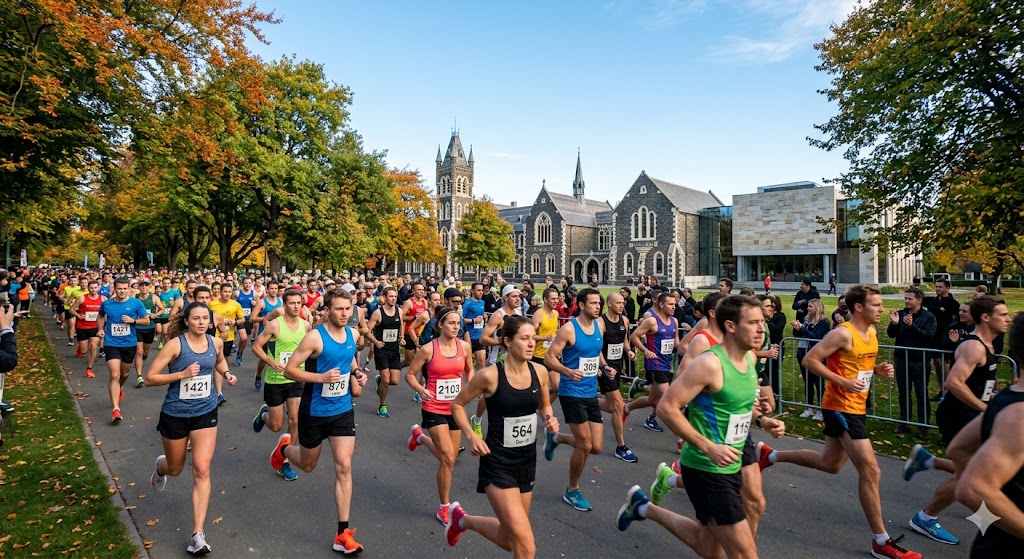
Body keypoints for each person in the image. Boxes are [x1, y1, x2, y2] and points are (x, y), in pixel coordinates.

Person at [758, 285, 921, 559]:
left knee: (830, 464)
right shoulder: (842, 333)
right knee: (871, 470)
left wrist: (876, 370)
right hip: (840, 406)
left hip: (857, 406)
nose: (882, 309)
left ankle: (770, 455)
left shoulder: (871, 332)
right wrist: (842, 382)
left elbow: (857, 366)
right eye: (876, 305)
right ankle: (881, 541)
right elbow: (810, 360)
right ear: (859, 307)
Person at [616, 295, 786, 559]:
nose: (761, 329)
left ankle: (643, 507)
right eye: (752, 323)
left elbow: (736, 409)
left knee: (709, 547)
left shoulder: (750, 360)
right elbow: (667, 407)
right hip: (707, 468)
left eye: (762, 322)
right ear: (731, 326)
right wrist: (708, 447)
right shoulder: (710, 363)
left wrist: (762, 420)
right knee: (744, 554)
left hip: (733, 460)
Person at [445, 316, 559, 558]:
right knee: (526, 546)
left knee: (509, 540)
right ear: (508, 341)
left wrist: (550, 418)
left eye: (533, 338)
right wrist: (471, 436)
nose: (531, 343)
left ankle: (462, 521)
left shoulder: (540, 372)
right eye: (524, 338)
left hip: (526, 461)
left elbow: (544, 406)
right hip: (498, 463)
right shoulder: (489, 376)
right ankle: (461, 520)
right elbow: (457, 405)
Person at [901, 295, 1009, 545]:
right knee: (970, 473)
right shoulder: (974, 347)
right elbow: (953, 383)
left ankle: (927, 461)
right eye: (1002, 315)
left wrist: (994, 397)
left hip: (972, 414)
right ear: (986, 317)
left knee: (982, 469)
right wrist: (985, 408)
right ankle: (926, 517)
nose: (1007, 319)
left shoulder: (987, 344)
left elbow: (978, 383)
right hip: (958, 415)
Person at [269, 288, 369, 554]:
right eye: (339, 309)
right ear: (327, 310)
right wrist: (320, 378)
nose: (344, 314)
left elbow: (349, 360)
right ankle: (284, 450)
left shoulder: (353, 334)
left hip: (342, 411)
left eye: (348, 309)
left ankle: (342, 533)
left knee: (344, 466)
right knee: (308, 464)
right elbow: (290, 370)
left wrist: (357, 372)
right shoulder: (315, 337)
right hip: (313, 412)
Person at [144, 301, 238, 555]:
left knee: (202, 469)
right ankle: (161, 466)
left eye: (205, 318)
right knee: (175, 468)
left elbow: (219, 362)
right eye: (196, 318)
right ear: (186, 321)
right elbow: (150, 377)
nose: (201, 322)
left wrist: (227, 374)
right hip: (175, 414)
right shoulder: (176, 345)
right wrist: (181, 374)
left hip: (205, 412)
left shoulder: (215, 342)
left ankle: (198, 534)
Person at [947, 311, 1024, 557]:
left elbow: (958, 449)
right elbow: (972, 488)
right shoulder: (1018, 415)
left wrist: (989, 517)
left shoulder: (1007, 399)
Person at [405, 306, 474, 524]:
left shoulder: (465, 347)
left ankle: (420, 438)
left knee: (450, 459)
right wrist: (421, 389)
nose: (456, 327)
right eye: (451, 323)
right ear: (440, 324)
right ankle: (444, 507)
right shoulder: (428, 349)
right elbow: (410, 375)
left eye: (458, 323)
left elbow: (469, 370)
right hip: (433, 407)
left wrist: (471, 387)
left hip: (456, 408)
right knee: (448, 457)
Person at [543, 288, 607, 511]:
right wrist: (567, 371)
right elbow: (549, 358)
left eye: (599, 303)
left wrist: (605, 366)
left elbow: (596, 351)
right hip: (571, 392)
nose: (598, 307)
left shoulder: (599, 326)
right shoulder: (569, 329)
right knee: (585, 445)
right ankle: (572, 490)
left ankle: (556, 438)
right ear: (581, 305)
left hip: (590, 392)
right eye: (593, 303)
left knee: (596, 446)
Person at [251, 288, 309, 481]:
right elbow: (256, 347)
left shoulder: (305, 325)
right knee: (276, 426)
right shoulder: (275, 325)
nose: (296, 306)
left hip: (296, 379)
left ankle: (284, 460)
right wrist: (270, 361)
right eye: (292, 303)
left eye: (298, 303)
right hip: (275, 380)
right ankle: (264, 414)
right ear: (284, 305)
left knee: (295, 421)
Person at [624, 291, 683, 432]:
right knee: (668, 399)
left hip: (667, 363)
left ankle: (626, 409)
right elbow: (634, 336)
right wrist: (645, 350)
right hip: (655, 364)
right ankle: (680, 438)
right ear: (661, 305)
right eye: (670, 304)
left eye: (674, 304)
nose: (673, 307)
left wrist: (690, 351)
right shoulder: (652, 321)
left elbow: (676, 342)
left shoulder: (674, 321)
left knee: (653, 400)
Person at [97, 278, 151, 424]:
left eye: (124, 288)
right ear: (114, 289)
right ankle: (116, 409)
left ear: (129, 289)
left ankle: (120, 386)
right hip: (111, 343)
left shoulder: (136, 303)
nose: (122, 291)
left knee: (125, 373)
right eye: (119, 288)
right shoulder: (107, 304)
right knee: (114, 375)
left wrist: (133, 321)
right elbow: (100, 316)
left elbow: (146, 320)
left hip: (129, 343)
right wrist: (100, 329)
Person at [886, 287, 937, 436]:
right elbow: (891, 334)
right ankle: (904, 422)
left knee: (921, 392)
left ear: (919, 300)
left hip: (919, 360)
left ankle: (923, 425)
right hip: (902, 359)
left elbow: (928, 336)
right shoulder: (901, 314)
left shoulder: (929, 317)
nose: (907, 301)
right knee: (904, 392)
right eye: (905, 298)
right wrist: (894, 324)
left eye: (910, 299)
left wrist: (912, 327)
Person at [599, 292, 638, 462]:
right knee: (618, 407)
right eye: (618, 303)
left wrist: (629, 351)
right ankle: (620, 447)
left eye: (623, 303)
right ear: (609, 304)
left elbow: (625, 341)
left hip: (617, 366)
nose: (622, 306)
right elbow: (597, 348)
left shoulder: (625, 321)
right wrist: (604, 366)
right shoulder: (601, 322)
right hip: (605, 368)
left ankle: (588, 403)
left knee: (610, 405)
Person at [366, 286, 405, 418]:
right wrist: (375, 342)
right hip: (381, 350)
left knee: (395, 381)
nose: (393, 299)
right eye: (390, 296)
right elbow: (367, 330)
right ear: (384, 297)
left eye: (395, 296)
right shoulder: (378, 313)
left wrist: (401, 337)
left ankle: (380, 381)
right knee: (387, 380)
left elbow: (401, 324)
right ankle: (382, 405)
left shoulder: (399, 311)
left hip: (394, 349)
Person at [792, 299, 830, 419]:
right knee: (807, 381)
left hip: (817, 355)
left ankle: (821, 410)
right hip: (803, 352)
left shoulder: (823, 322)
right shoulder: (806, 319)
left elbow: (815, 338)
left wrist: (803, 328)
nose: (807, 308)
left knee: (818, 383)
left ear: (817, 308)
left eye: (810, 306)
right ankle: (809, 408)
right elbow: (799, 335)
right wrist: (797, 328)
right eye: (808, 306)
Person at [70, 280, 105, 378]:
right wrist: (78, 315)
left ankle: (89, 369)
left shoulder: (103, 299)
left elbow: (106, 311)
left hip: (96, 326)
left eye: (95, 288)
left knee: (93, 346)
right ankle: (80, 348)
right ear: (88, 288)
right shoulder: (82, 298)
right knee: (84, 351)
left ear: (98, 288)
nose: (93, 290)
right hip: (82, 326)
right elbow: (71, 309)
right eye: (91, 288)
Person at [133, 279, 164, 389]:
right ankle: (139, 376)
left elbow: (162, 309)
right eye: (142, 285)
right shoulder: (134, 298)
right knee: (139, 351)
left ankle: (143, 359)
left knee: (145, 352)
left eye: (146, 285)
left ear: (149, 287)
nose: (144, 287)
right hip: (137, 327)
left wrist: (155, 315)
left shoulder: (154, 297)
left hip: (149, 327)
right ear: (139, 287)